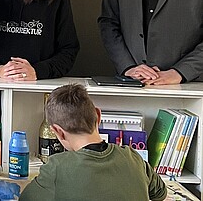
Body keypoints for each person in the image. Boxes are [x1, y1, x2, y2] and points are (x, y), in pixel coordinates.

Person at [19, 83, 166, 201]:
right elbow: (161, 194)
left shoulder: (57, 167)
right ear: (98, 115)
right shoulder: (133, 157)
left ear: (58, 131)